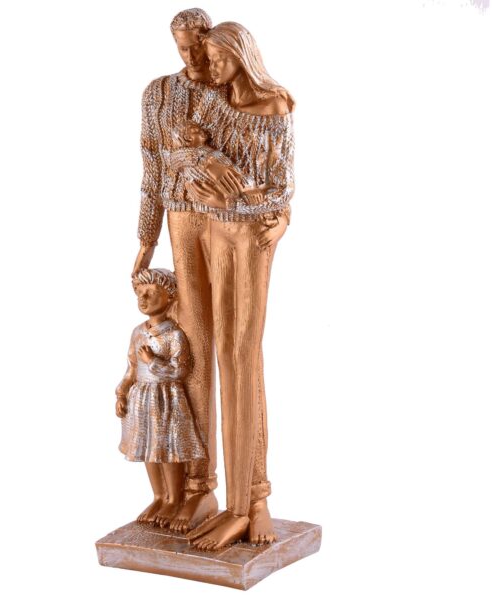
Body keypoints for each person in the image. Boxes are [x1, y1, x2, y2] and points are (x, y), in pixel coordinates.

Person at [180, 21, 295, 550]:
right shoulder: (213, 101)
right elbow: (184, 155)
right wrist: (201, 163)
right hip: (213, 233)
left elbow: (282, 187)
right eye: (207, 59)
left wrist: (242, 201)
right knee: (222, 353)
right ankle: (236, 503)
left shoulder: (274, 105)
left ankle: (246, 506)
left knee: (241, 357)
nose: (211, 68)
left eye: (218, 59)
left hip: (250, 238)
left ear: (240, 55)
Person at [133, 8, 226, 533]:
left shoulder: (231, 86)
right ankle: (191, 486)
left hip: (228, 218)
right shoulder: (158, 93)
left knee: (226, 342)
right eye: (181, 47)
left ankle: (215, 488)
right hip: (179, 217)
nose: (190, 57)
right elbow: (151, 166)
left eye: (196, 46)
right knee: (189, 341)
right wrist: (146, 237)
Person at [115, 268, 205, 527]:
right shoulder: (137, 332)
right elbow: (132, 367)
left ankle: (174, 498)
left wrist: (152, 361)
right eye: (140, 293)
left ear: (170, 297)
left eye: (151, 293)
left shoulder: (174, 334)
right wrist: (122, 392)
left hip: (165, 398)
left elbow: (180, 370)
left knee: (166, 449)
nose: (143, 298)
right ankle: (158, 496)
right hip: (141, 398)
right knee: (148, 448)